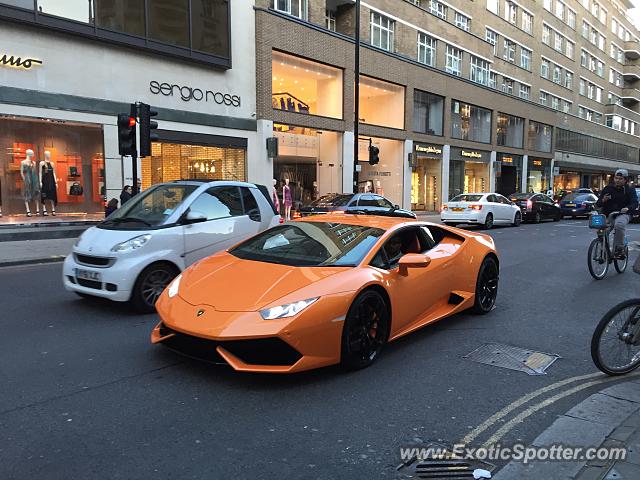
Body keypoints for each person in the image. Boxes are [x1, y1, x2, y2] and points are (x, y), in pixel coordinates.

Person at [595, 169, 638, 259]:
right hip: (609, 215)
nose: (617, 180)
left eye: (620, 178)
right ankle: (603, 250)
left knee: (619, 225)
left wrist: (628, 208)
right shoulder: (608, 188)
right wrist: (603, 200)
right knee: (601, 230)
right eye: (616, 178)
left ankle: (619, 249)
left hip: (623, 214)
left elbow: (634, 203)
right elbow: (598, 203)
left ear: (625, 180)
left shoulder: (629, 189)